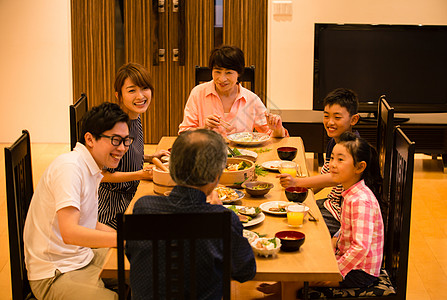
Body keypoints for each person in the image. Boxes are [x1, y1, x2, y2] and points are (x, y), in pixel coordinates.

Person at [126, 129, 257, 299]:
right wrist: (217, 212)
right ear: (216, 177)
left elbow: (132, 254)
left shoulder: (144, 208)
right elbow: (245, 271)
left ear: (171, 169)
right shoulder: (222, 220)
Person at [24, 102, 131, 300]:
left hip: (81, 258)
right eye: (116, 140)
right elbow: (70, 233)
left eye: (126, 141)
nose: (122, 148)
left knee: (147, 268)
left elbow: (88, 222)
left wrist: (128, 236)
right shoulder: (70, 168)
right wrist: (122, 240)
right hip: (55, 273)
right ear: (90, 139)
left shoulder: (90, 166)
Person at [259, 132, 384, 298]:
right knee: (297, 261)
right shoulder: (351, 192)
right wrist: (334, 240)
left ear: (360, 167)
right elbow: (347, 226)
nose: (332, 164)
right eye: (332, 158)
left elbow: (361, 247)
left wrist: (335, 270)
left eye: (340, 160)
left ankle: (284, 292)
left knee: (293, 279)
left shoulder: (361, 201)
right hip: (348, 259)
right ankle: (280, 291)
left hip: (359, 272)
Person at [278, 88, 360, 236]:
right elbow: (325, 176)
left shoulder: (352, 148)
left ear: (353, 119)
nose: (330, 122)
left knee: (298, 229)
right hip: (330, 204)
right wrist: (299, 192)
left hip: (340, 215)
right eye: (326, 116)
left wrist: (297, 183)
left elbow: (334, 178)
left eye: (337, 117)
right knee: (286, 211)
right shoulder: (333, 143)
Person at [98, 62, 169, 230]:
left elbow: (122, 156)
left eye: (145, 88)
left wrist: (149, 157)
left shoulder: (135, 116)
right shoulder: (115, 127)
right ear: (119, 95)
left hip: (133, 194)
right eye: (132, 90)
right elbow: (101, 175)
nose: (140, 96)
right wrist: (140, 174)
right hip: (111, 209)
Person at [178, 45, 288, 137]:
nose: (222, 79)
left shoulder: (250, 99)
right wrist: (204, 128)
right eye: (217, 72)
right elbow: (184, 134)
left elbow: (270, 134)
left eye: (229, 73)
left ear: (239, 73)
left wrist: (277, 129)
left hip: (242, 157)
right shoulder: (198, 93)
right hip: (207, 155)